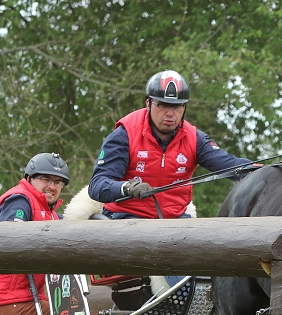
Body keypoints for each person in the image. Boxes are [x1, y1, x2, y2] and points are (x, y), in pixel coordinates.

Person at [89, 69, 258, 219]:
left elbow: (230, 165)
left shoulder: (194, 138)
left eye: (177, 107)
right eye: (162, 105)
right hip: (126, 218)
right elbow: (97, 185)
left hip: (174, 221)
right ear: (148, 103)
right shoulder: (124, 135)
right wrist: (127, 187)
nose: (170, 114)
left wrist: (265, 169)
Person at [0, 153, 68, 315]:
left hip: (25, 300)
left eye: (58, 182)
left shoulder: (50, 215)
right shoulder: (19, 199)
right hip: (6, 303)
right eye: (45, 179)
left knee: (82, 314)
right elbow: (12, 239)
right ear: (29, 178)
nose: (52, 186)